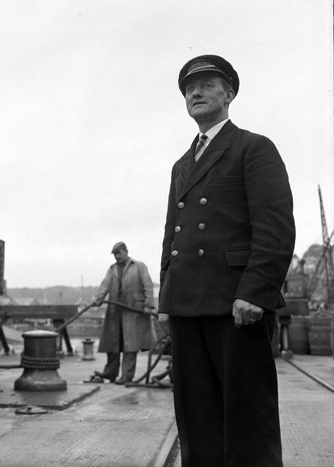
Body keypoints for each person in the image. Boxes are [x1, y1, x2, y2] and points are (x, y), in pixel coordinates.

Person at [158, 55, 295, 467]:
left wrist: (256, 291)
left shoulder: (253, 147)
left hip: (237, 305)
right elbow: (172, 235)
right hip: (187, 306)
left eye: (205, 84)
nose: (194, 93)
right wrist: (166, 300)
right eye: (188, 88)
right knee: (195, 419)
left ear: (229, 93)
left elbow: (274, 226)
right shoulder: (182, 164)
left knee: (247, 420)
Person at [88, 241, 156, 385]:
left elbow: (148, 286)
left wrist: (149, 305)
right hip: (114, 312)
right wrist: (97, 299)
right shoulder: (112, 269)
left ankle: (126, 376)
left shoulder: (139, 266)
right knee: (112, 343)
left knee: (130, 345)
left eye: (119, 253)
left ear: (126, 251)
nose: (117, 257)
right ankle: (110, 372)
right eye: (115, 254)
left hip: (134, 312)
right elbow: (104, 285)